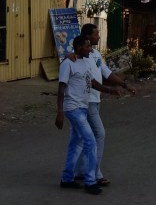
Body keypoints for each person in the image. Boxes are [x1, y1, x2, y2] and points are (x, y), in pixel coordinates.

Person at [68, 23, 135, 187]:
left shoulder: (96, 54)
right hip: (86, 101)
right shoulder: (79, 56)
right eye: (96, 34)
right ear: (88, 37)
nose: (99, 36)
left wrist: (125, 85)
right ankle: (95, 173)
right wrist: (110, 90)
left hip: (96, 100)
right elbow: (89, 81)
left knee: (81, 139)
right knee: (99, 134)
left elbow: (107, 73)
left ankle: (77, 172)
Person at [56, 34, 111, 195]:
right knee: (90, 141)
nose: (90, 48)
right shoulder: (68, 63)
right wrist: (59, 112)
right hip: (73, 109)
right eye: (87, 46)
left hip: (83, 107)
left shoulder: (84, 62)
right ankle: (90, 181)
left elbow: (92, 82)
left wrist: (110, 90)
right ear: (79, 47)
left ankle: (67, 179)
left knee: (76, 142)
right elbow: (61, 88)